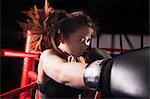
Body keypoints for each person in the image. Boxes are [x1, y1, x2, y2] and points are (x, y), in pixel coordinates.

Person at [19, 0, 108, 98]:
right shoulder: (48, 56)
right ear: (62, 37)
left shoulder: (84, 59)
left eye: (88, 40)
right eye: (81, 40)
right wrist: (103, 71)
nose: (87, 45)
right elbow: (61, 72)